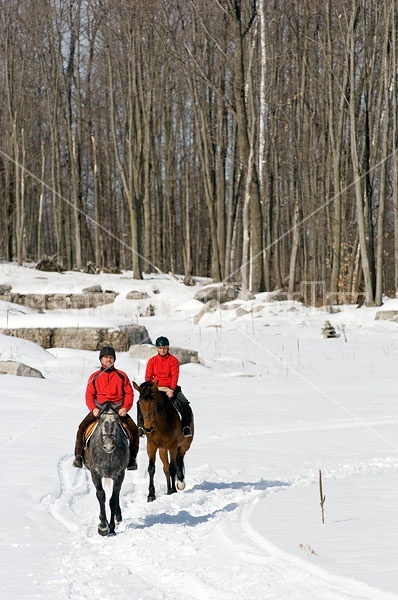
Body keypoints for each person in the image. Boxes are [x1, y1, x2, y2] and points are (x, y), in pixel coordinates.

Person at [73, 346, 139, 470]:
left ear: (114, 359)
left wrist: (125, 408)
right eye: (106, 357)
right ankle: (78, 457)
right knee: (82, 427)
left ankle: (132, 459)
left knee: (134, 429)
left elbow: (129, 393)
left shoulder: (122, 375)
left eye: (111, 357)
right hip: (100, 409)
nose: (108, 360)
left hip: (118, 409)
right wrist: (93, 408)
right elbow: (89, 395)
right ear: (101, 360)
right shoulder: (94, 376)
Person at [138, 336, 193, 437]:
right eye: (160, 348)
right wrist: (151, 388)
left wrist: (172, 389)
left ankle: (185, 427)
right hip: (156, 388)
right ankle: (141, 426)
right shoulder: (152, 361)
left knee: (185, 404)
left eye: (164, 348)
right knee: (142, 403)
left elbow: (174, 376)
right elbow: (148, 377)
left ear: (167, 348)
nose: (162, 350)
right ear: (157, 348)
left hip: (170, 388)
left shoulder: (173, 361)